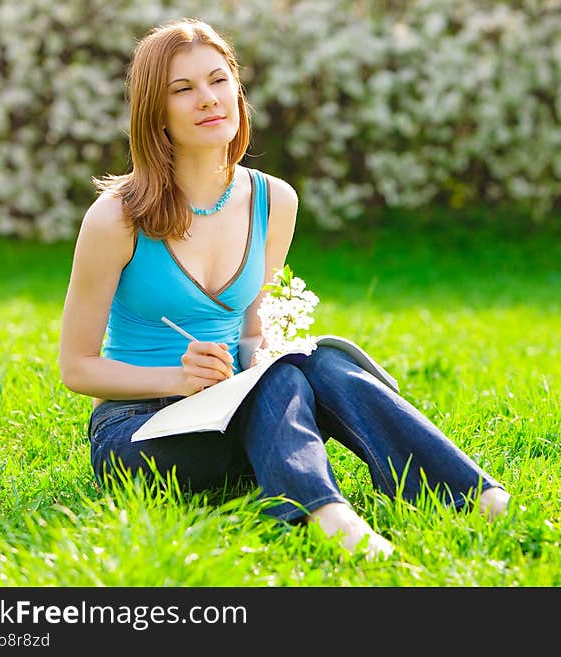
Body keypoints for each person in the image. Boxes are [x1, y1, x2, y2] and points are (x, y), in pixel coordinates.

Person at [58, 17, 510, 559]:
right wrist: (177, 378)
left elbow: (252, 329)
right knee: (275, 381)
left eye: (218, 80)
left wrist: (266, 357)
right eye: (184, 89)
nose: (208, 99)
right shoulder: (116, 219)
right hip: (137, 433)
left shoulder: (275, 202)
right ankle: (328, 516)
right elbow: (76, 367)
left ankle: (471, 495)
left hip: (231, 410)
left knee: (303, 365)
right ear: (156, 113)